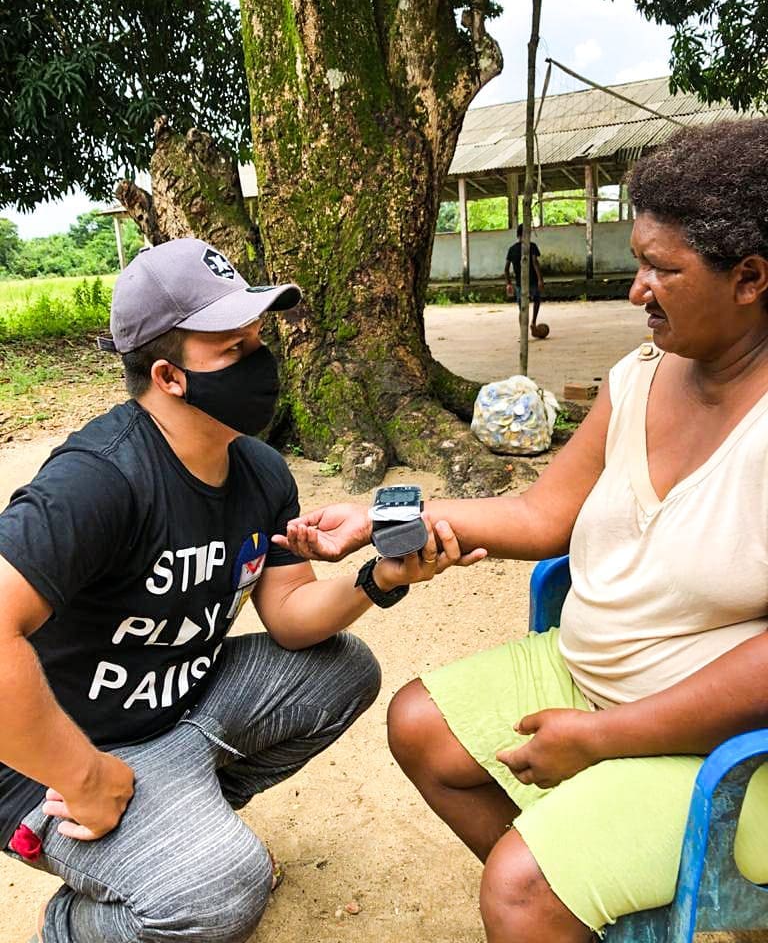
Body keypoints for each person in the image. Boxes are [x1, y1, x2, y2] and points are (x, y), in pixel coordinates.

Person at [276, 120, 768, 942]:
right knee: (422, 728)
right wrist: (380, 520)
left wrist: (603, 742)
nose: (635, 290)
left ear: (750, 278)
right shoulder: (640, 378)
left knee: (516, 890)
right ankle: (580, 905)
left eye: (662, 269)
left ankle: (546, 897)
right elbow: (542, 516)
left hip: (728, 751)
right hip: (588, 681)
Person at [0, 238, 484, 943]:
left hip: (177, 711)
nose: (262, 363)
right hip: (56, 759)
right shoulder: (99, 479)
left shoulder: (257, 469)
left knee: (343, 669)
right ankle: (79, 920)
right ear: (168, 375)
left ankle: (180, 824)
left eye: (260, 340)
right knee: (225, 892)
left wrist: (376, 578)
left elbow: (289, 617)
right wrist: (83, 777)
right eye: (233, 350)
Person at [505, 223, 545, 330]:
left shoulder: (512, 249)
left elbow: (506, 269)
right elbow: (535, 263)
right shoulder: (532, 246)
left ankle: (523, 330)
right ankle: (533, 322)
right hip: (532, 281)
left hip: (519, 283)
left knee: (522, 308)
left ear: (517, 235)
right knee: (536, 300)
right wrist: (540, 280)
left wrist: (508, 284)